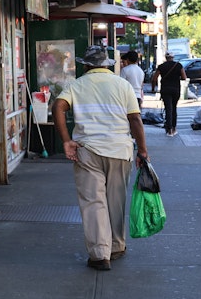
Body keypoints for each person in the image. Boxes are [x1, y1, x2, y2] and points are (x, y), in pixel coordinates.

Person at [52, 45, 148, 271]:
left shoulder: (76, 85)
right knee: (116, 200)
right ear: (107, 65)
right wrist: (142, 150)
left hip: (89, 151)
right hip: (119, 150)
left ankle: (99, 254)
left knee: (93, 202)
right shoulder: (123, 85)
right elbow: (135, 120)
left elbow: (58, 107)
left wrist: (66, 140)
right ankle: (116, 246)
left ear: (86, 65)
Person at [151, 52, 186, 136]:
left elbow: (154, 78)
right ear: (173, 57)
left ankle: (169, 129)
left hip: (165, 89)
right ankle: (174, 128)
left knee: (168, 109)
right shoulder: (179, 65)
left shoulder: (161, 66)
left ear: (166, 58)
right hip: (176, 89)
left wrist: (153, 89)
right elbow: (184, 77)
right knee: (174, 108)